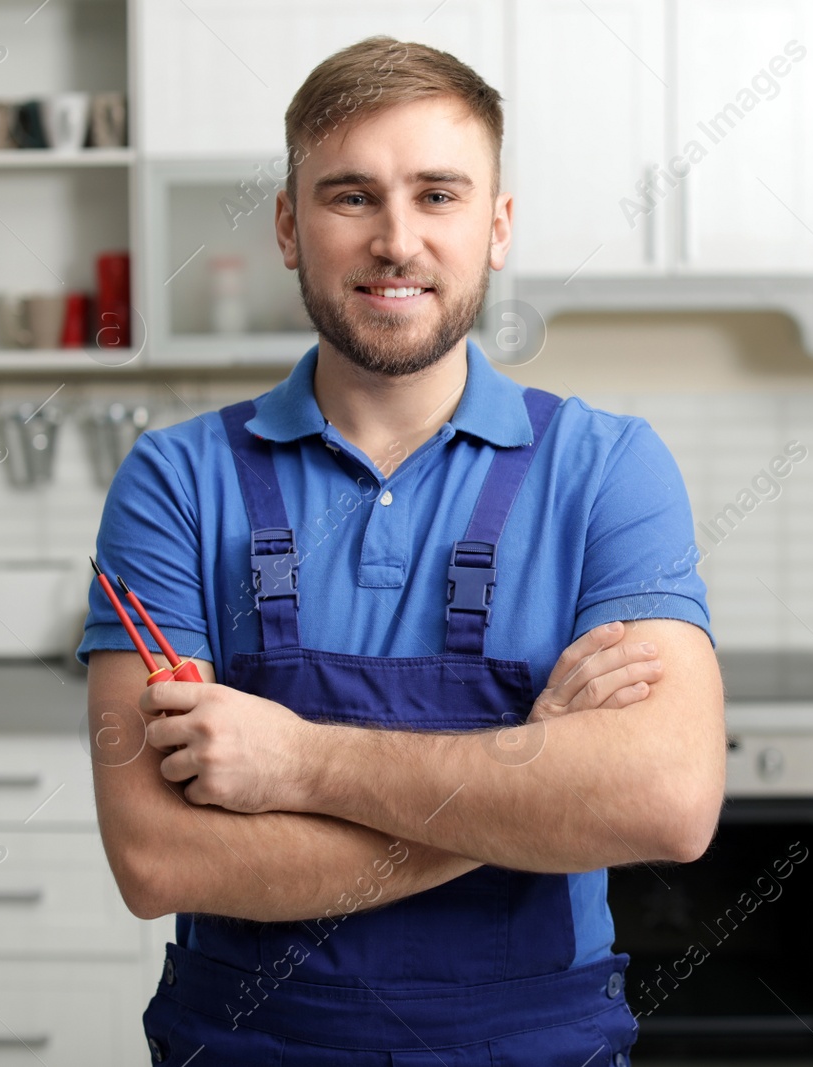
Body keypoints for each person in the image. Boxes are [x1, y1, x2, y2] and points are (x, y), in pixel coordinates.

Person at [77, 35, 725, 1065]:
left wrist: (299, 759)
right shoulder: (176, 483)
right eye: (350, 196)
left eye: (437, 195)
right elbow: (158, 857)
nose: (395, 239)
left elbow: (667, 800)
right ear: (290, 227)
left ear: (497, 226)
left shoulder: (607, 469)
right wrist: (531, 790)